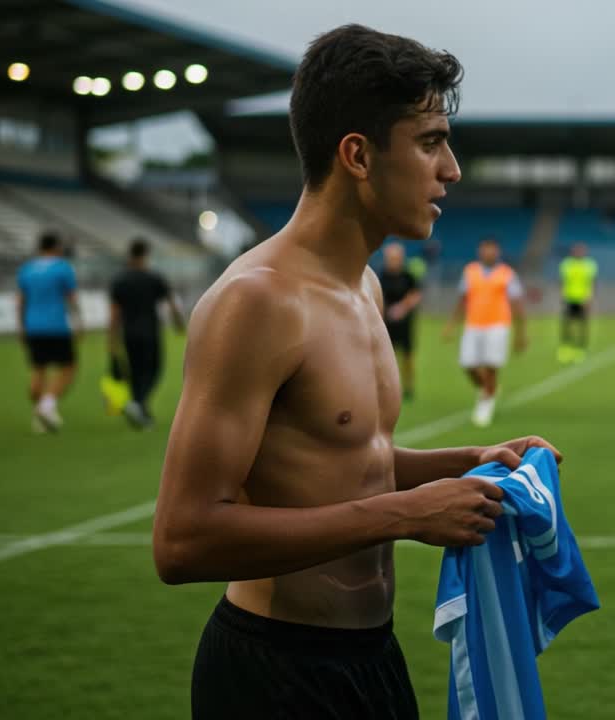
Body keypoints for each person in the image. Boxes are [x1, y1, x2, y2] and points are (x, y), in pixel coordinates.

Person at [151, 25, 559, 720]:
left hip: (373, 657)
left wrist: (467, 463)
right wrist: (404, 517)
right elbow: (183, 539)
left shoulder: (364, 287)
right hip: (275, 671)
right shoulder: (257, 301)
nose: (452, 169)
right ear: (358, 156)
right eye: (430, 142)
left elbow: (348, 462)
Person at [442, 236, 527, 427]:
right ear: (480, 251)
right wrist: (451, 325)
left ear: (498, 252)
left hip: (498, 325)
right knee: (467, 364)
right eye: (485, 249)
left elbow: (517, 303)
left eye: (492, 249)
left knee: (491, 366)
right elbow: (463, 299)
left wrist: (521, 333)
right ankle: (489, 389)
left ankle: (485, 405)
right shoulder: (470, 271)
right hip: (473, 324)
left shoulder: (507, 273)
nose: (488, 253)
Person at [107, 238, 186, 429]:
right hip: (149, 330)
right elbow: (171, 302)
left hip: (129, 332)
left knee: (135, 370)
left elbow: (115, 312)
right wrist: (178, 323)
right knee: (154, 369)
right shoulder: (153, 277)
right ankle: (137, 403)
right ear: (145, 255)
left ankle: (140, 408)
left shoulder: (120, 280)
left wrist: (112, 338)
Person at [16, 231, 81, 433]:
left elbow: (20, 302)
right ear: (56, 247)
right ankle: (47, 405)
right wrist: (78, 322)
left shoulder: (26, 269)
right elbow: (71, 298)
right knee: (69, 367)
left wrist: (21, 326)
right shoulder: (62, 268)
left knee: (38, 369)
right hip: (56, 326)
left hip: (33, 326)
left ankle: (39, 414)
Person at [376, 242, 422, 399]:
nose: (393, 261)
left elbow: (415, 295)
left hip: (405, 321)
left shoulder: (407, 275)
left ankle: (409, 386)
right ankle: (389, 387)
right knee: (388, 356)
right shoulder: (382, 275)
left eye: (396, 258)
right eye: (390, 258)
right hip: (387, 322)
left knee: (408, 355)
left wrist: (402, 308)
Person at [557, 242, 597, 364]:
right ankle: (566, 348)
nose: (579, 253)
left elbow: (591, 283)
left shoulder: (590, 265)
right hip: (569, 298)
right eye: (576, 250)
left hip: (583, 299)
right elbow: (563, 281)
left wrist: (589, 298)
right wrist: (562, 295)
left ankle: (581, 348)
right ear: (572, 252)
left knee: (583, 325)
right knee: (567, 324)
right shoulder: (566, 264)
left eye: (581, 250)